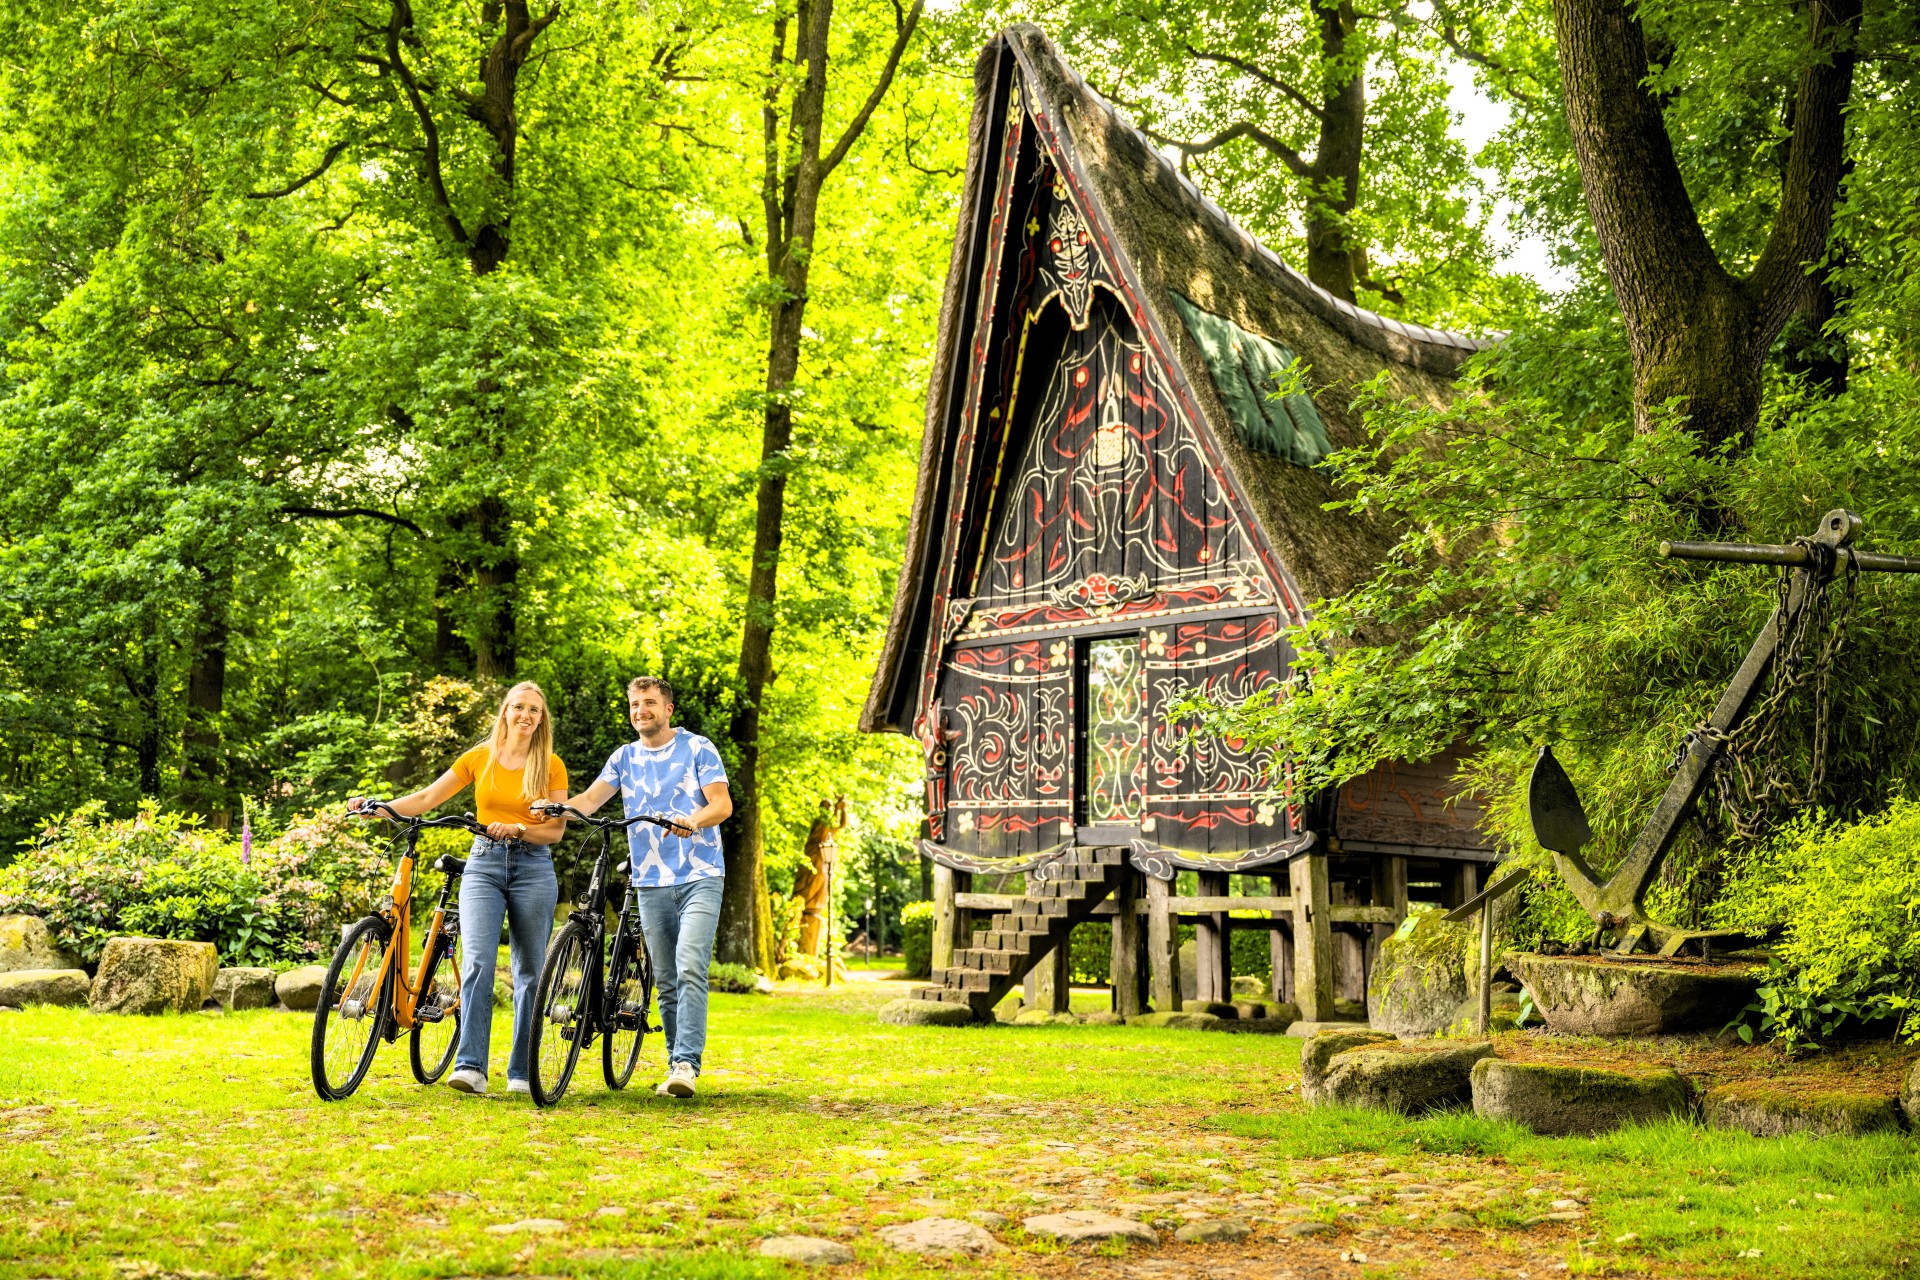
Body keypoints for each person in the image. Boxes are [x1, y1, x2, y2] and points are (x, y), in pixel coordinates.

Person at [349, 681, 568, 1097]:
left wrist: (519, 828)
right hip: (484, 863)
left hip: (533, 867)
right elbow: (428, 797)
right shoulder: (479, 757)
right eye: (518, 707)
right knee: (479, 962)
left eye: (534, 710)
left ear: (542, 720)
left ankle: (521, 1071)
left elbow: (556, 830)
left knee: (529, 971)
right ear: (505, 712)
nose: (525, 715)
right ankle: (471, 1067)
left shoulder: (551, 765)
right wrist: (381, 809)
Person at [555, 676, 731, 1098]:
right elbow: (590, 801)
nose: (641, 711)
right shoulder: (624, 757)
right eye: (635, 704)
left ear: (668, 709)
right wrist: (554, 808)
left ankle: (686, 1064)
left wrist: (692, 820)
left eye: (649, 703)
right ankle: (676, 1065)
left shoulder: (698, 748)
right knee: (666, 977)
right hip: (650, 880)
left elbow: (721, 804)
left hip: (700, 874)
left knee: (689, 965)